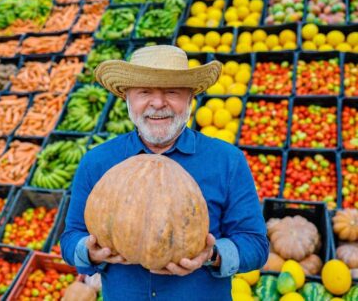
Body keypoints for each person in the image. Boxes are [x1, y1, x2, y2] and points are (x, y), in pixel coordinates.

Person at [60, 45, 269, 300]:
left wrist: (212, 256)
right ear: (127, 98)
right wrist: (89, 252)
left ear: (190, 98)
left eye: (172, 91)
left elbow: (256, 246)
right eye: (144, 92)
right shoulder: (97, 162)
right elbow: (71, 239)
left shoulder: (228, 161)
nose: (158, 103)